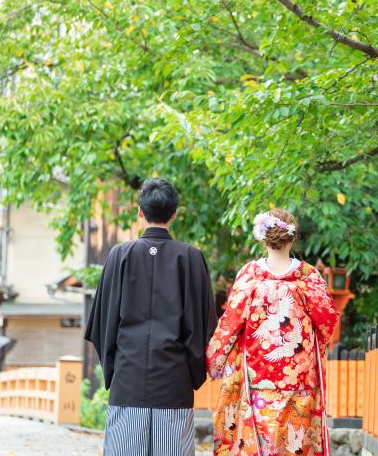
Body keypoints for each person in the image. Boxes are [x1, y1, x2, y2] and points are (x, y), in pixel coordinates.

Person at [85, 178, 217, 456]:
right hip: (174, 381)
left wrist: (114, 369)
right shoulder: (191, 257)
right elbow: (204, 327)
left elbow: (103, 324)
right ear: (175, 213)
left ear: (140, 212)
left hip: (128, 380)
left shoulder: (119, 254)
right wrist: (192, 374)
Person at [206, 208, 340, 456]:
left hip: (258, 376)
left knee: (263, 441)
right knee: (295, 441)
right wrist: (313, 346)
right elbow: (328, 320)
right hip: (300, 377)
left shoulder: (249, 275)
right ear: (292, 238)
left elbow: (230, 322)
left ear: (263, 238)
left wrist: (215, 360)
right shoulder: (309, 276)